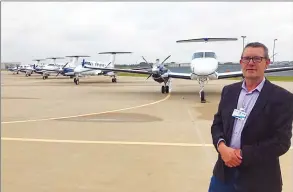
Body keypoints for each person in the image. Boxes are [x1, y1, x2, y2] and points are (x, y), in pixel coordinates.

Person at [209, 42, 293, 192]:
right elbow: (218, 124)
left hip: (259, 181)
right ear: (241, 62)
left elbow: (281, 142)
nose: (251, 63)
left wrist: (241, 154)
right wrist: (221, 147)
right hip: (223, 175)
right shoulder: (229, 91)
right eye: (246, 59)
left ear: (267, 63)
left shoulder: (283, 98)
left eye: (257, 59)